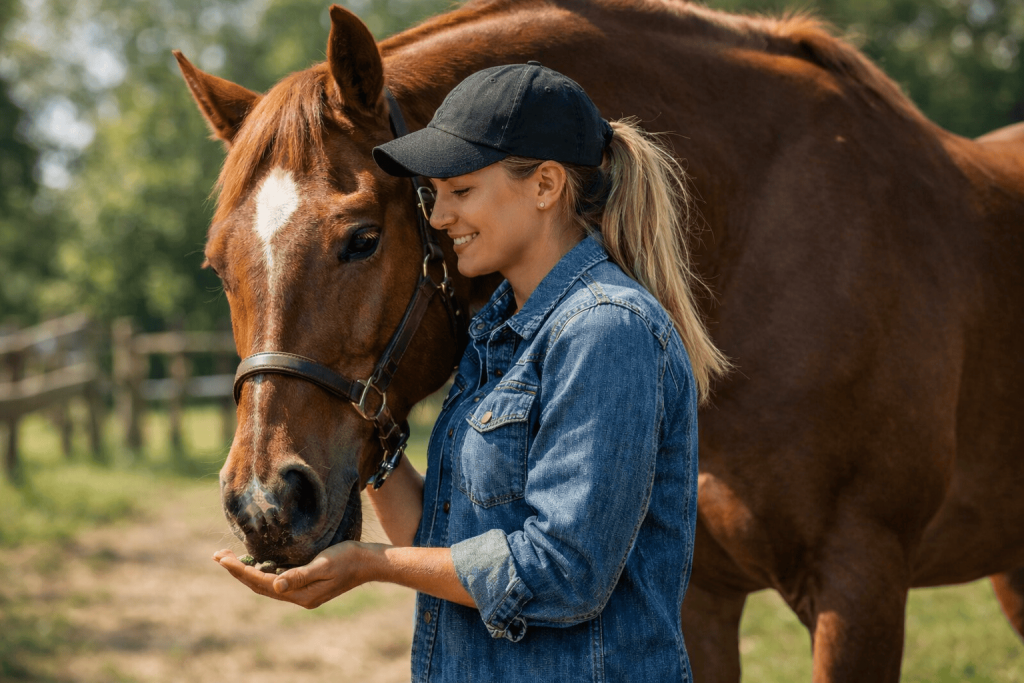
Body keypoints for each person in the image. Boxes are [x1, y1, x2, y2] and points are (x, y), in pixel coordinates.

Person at [214, 62, 729, 681]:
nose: (436, 217)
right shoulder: (495, 337)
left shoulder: (607, 331)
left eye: (460, 192)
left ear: (544, 185)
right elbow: (447, 542)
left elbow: (566, 574)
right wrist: (364, 438)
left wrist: (372, 565)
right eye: (434, 195)